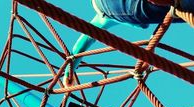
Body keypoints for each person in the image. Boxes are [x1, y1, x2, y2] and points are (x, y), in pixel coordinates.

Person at [63, 0, 194, 86]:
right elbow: (83, 41)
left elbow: (81, 44)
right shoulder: (103, 16)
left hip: (132, 10)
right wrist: (69, 71)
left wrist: (69, 73)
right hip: (133, 9)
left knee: (180, 7)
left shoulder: (102, 15)